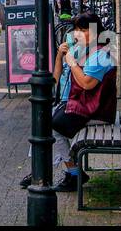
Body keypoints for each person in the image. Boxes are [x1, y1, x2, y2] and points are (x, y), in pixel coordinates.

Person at [45, 11, 116, 191]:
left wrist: (72, 63)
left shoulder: (101, 55)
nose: (76, 34)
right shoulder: (88, 49)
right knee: (48, 121)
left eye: (81, 30)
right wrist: (61, 56)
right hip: (87, 104)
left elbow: (86, 83)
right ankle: (67, 171)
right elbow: (58, 77)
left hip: (97, 110)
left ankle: (74, 174)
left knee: (51, 128)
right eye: (75, 29)